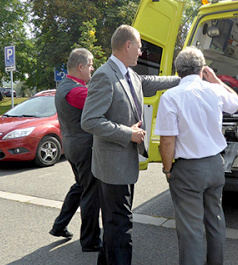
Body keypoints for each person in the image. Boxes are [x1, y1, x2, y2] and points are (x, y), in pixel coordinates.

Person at [80, 25, 180, 265]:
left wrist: (183, 79)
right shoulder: (105, 75)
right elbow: (89, 121)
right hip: (112, 167)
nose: (141, 51)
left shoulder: (129, 74)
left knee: (115, 223)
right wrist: (128, 134)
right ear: (127, 45)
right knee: (120, 226)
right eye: (139, 46)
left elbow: (150, 81)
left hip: (123, 165)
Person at [155, 46, 238, 265]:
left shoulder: (170, 96)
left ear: (177, 71)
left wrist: (167, 169)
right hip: (215, 165)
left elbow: (167, 140)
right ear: (202, 69)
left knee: (191, 230)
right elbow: (237, 103)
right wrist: (215, 80)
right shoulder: (215, 90)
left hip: (187, 169)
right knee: (215, 221)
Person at [50, 48, 101, 252]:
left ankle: (59, 225)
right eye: (90, 64)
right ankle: (90, 241)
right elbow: (103, 106)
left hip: (72, 146)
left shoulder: (65, 86)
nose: (92, 68)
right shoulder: (79, 91)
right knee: (91, 194)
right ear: (80, 67)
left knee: (80, 186)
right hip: (84, 147)